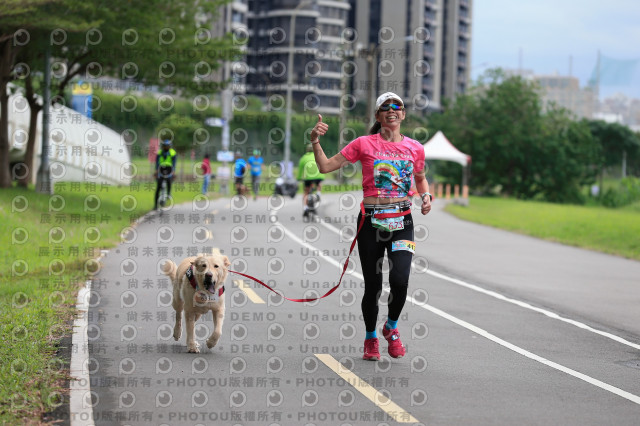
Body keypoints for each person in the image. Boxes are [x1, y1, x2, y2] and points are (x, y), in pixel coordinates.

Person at [309, 92, 432, 361]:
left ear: (403, 114)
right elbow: (325, 166)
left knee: (400, 280)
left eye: (397, 106)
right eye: (385, 107)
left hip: (402, 223)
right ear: (377, 116)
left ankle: (391, 328)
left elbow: (420, 178)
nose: (391, 110)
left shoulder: (415, 148)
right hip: (371, 223)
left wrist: (425, 196)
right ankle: (370, 338)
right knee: (373, 286)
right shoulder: (363, 144)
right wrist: (315, 141)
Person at [297, 143, 325, 218]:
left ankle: (305, 208)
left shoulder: (304, 157)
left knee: (306, 192)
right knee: (319, 183)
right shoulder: (319, 156)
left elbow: (300, 169)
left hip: (308, 178)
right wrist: (322, 176)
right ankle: (318, 193)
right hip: (319, 176)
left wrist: (299, 178)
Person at [153, 139, 177, 210]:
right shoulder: (159, 153)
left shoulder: (173, 153)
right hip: (161, 169)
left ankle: (168, 194)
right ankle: (155, 205)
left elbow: (174, 163)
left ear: (170, 146)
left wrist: (173, 171)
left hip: (169, 169)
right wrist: (156, 171)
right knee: (158, 187)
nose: (166, 147)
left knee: (169, 181)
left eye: (168, 146)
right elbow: (157, 162)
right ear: (163, 146)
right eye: (165, 146)